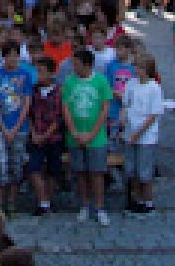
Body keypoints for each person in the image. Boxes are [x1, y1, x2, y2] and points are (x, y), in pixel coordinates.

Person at [62, 46, 112, 226]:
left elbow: (104, 109)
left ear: (87, 65)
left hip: (96, 137)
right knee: (80, 172)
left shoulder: (100, 81)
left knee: (97, 173)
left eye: (76, 64)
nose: (73, 67)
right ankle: (84, 204)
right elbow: (66, 107)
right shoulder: (69, 82)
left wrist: (92, 133)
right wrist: (74, 131)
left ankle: (99, 207)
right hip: (75, 135)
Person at [0, 40, 32, 214]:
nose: (12, 58)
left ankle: (12, 202)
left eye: (15, 54)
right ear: (4, 56)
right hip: (0, 126)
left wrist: (15, 128)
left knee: (16, 165)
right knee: (0, 165)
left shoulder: (25, 75)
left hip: (19, 127)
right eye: (9, 55)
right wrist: (4, 127)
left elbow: (26, 103)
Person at [122, 53, 164, 213]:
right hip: (130, 132)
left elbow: (153, 115)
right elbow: (126, 104)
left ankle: (148, 201)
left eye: (139, 67)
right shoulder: (131, 84)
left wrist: (138, 133)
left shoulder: (154, 87)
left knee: (144, 171)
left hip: (145, 136)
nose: (136, 70)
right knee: (131, 170)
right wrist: (123, 120)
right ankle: (136, 198)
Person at [27, 55, 64, 216]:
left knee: (52, 170)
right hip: (36, 135)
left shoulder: (58, 92)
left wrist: (46, 134)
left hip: (53, 137)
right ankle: (42, 199)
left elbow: (58, 117)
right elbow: (30, 113)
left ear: (50, 73)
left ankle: (48, 200)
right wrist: (34, 132)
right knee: (33, 167)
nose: (38, 75)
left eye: (41, 71)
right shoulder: (33, 91)